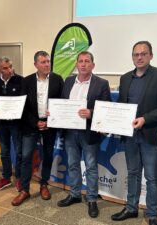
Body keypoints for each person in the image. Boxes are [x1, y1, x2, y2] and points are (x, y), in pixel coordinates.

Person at [111, 41, 157, 225]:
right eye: (135, 54)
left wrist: (145, 119)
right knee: (132, 173)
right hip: (130, 135)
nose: (139, 57)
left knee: (152, 176)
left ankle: (152, 214)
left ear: (151, 56)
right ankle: (131, 208)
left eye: (143, 54)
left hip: (150, 134)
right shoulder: (124, 78)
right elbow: (122, 108)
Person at [57, 51, 111, 218]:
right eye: (80, 61)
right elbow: (62, 103)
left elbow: (106, 108)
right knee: (73, 164)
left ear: (92, 65)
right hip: (70, 132)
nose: (83, 64)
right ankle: (74, 194)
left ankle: (92, 198)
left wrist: (91, 113)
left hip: (88, 133)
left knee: (91, 167)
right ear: (76, 64)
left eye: (87, 61)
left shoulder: (101, 83)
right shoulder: (68, 81)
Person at [11, 51, 64, 206]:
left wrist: (50, 120)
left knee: (48, 155)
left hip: (50, 125)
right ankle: (25, 190)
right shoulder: (26, 81)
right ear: (35, 64)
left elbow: (61, 102)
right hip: (30, 125)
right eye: (43, 62)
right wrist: (35, 123)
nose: (47, 64)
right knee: (26, 157)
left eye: (48, 61)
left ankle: (44, 184)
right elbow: (23, 107)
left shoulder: (57, 80)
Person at [0, 57, 25, 192]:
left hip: (16, 123)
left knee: (18, 151)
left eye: (10, 66)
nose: (9, 70)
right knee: (4, 151)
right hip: (1, 123)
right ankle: (6, 177)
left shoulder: (20, 80)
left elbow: (24, 101)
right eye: (5, 68)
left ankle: (20, 178)